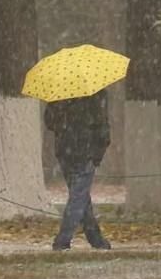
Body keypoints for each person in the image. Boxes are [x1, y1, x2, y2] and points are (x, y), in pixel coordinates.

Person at [45, 89, 112, 251]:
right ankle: (62, 239)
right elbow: (102, 125)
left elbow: (49, 122)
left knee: (80, 197)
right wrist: (99, 152)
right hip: (86, 151)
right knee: (79, 197)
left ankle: (95, 238)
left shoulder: (59, 91)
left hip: (65, 150)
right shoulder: (96, 92)